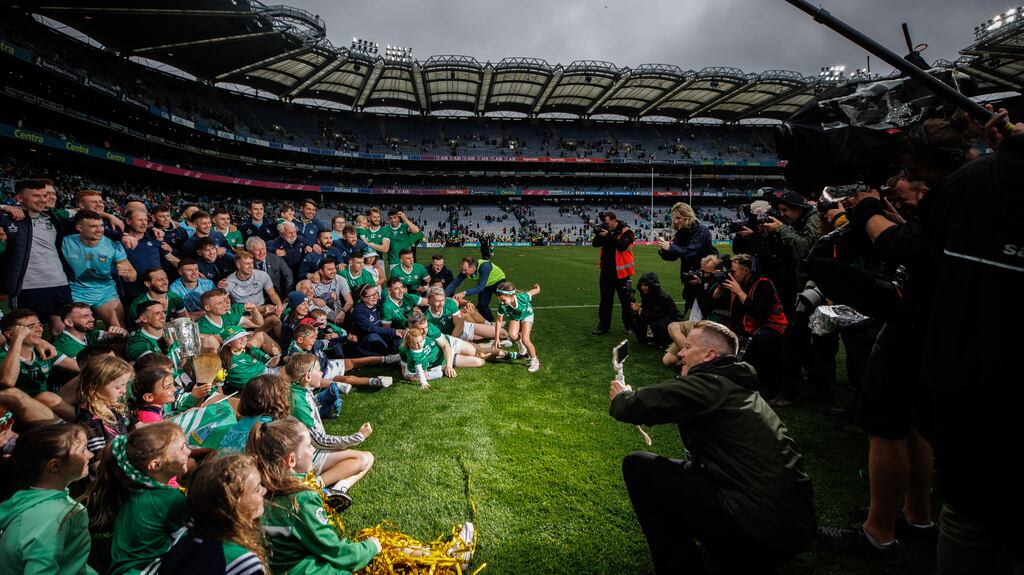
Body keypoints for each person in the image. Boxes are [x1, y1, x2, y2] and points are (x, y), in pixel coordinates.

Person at [609, 320, 816, 574]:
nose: (681, 354)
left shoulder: (711, 385)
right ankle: (734, 552)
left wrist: (622, 396)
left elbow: (634, 405)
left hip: (760, 530)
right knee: (688, 473)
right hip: (790, 526)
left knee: (639, 467)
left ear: (709, 355)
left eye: (687, 348)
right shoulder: (737, 387)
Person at [247, 417, 380, 572]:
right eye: (309, 446)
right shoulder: (302, 499)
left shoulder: (256, 493)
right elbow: (335, 552)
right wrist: (371, 547)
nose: (313, 450)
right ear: (291, 460)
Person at [84, 423, 191, 575]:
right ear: (156, 465)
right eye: (181, 448)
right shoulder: (168, 500)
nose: (189, 450)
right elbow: (197, 540)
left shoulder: (131, 488)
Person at [145, 453, 267, 574]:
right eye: (257, 489)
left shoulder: (184, 540)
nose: (264, 491)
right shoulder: (244, 563)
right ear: (232, 503)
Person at [0, 423, 95, 575]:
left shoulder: (30, 500)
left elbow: (72, 562)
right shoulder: (52, 516)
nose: (90, 455)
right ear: (54, 466)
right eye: (83, 450)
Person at [284, 354, 374, 505]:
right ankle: (317, 487)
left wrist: (321, 402)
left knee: (369, 457)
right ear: (307, 376)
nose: (322, 373)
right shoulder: (299, 403)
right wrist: (358, 436)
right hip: (305, 456)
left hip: (302, 451)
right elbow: (320, 441)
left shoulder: (296, 391)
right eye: (319, 370)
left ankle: (339, 489)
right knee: (365, 459)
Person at [0, 179, 74, 336]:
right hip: (27, 287)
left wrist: (123, 234)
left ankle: (60, 359)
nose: (42, 200)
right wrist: (3, 206)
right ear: (19, 198)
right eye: (36, 196)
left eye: (45, 195)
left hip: (59, 284)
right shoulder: (7, 218)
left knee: (63, 332)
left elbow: (85, 218)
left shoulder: (54, 219)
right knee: (29, 335)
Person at [709, 253, 788, 399]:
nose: (730, 274)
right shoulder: (738, 283)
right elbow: (714, 303)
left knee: (761, 341)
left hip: (772, 330)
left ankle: (769, 390)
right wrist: (719, 288)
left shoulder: (763, 284)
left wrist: (739, 292)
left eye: (733, 271)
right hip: (746, 331)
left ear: (746, 270)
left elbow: (760, 313)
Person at [61, 210, 136, 328]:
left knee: (118, 328)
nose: (100, 229)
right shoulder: (65, 242)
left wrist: (126, 273)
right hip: (76, 292)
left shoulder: (113, 244)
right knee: (75, 328)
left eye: (101, 226)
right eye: (93, 226)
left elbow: (132, 276)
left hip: (105, 293)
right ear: (79, 228)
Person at [1, 309, 77, 420]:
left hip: (50, 402)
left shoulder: (44, 351)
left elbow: (81, 367)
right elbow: (7, 381)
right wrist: (17, 338)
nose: (40, 329)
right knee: (46, 397)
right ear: (10, 334)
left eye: (40, 324)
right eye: (31, 327)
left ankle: (98, 417)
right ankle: (85, 426)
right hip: (18, 412)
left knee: (94, 371)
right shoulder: (3, 356)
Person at [657, 202, 717, 312]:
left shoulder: (700, 230)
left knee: (705, 310)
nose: (675, 221)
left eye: (678, 218)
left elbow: (690, 252)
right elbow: (673, 256)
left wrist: (670, 247)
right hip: (690, 276)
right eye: (674, 218)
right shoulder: (682, 233)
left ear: (687, 216)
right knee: (694, 309)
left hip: (705, 276)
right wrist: (662, 250)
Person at [591, 212, 635, 336]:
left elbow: (621, 246)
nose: (606, 224)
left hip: (622, 273)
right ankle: (603, 327)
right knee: (605, 301)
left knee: (626, 301)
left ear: (614, 220)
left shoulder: (627, 231)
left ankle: (629, 326)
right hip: (606, 272)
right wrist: (600, 234)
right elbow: (595, 244)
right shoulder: (607, 230)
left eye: (608, 222)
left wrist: (609, 235)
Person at [492, 281, 541, 373]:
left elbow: (533, 292)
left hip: (527, 314)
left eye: (503, 300)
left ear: (511, 296)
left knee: (526, 339)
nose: (501, 303)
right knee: (512, 336)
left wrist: (537, 288)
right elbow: (499, 321)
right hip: (515, 317)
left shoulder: (523, 297)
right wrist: (496, 338)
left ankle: (534, 360)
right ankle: (522, 345)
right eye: (500, 300)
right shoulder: (502, 306)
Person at [53, 302, 125, 362]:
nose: (92, 319)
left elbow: (120, 337)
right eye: (85, 316)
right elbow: (91, 370)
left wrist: (122, 332)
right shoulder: (65, 345)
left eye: (91, 315)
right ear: (69, 322)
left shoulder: (89, 334)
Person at [219, 327, 281, 395]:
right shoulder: (223, 359)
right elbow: (219, 382)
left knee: (289, 370)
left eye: (244, 336)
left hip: (267, 374)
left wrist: (276, 356)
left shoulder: (250, 349)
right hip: (252, 387)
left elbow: (271, 364)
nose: (243, 339)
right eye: (239, 338)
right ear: (229, 343)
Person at [346, 285, 403, 357]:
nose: (375, 297)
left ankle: (397, 353)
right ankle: (388, 355)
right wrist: (394, 331)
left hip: (379, 332)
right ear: (363, 298)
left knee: (397, 335)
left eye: (376, 293)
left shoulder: (378, 302)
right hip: (364, 338)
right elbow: (371, 328)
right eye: (371, 295)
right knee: (374, 337)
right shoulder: (359, 311)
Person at [446, 257, 506, 323]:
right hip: (486, 284)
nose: (463, 272)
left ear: (473, 268)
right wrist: (443, 295)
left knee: (506, 301)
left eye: (465, 270)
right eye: (462, 269)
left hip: (498, 282)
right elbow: (454, 283)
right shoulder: (465, 271)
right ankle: (490, 323)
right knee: (481, 305)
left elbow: (480, 287)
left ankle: (515, 318)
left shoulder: (485, 266)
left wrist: (464, 293)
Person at [631, 272, 681, 348]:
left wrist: (639, 311)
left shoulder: (662, 297)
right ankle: (648, 338)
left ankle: (663, 340)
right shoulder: (647, 295)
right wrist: (637, 312)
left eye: (645, 285)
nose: (642, 288)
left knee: (657, 324)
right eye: (641, 285)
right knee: (637, 319)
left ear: (652, 285)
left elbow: (654, 315)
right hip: (658, 317)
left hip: (671, 320)